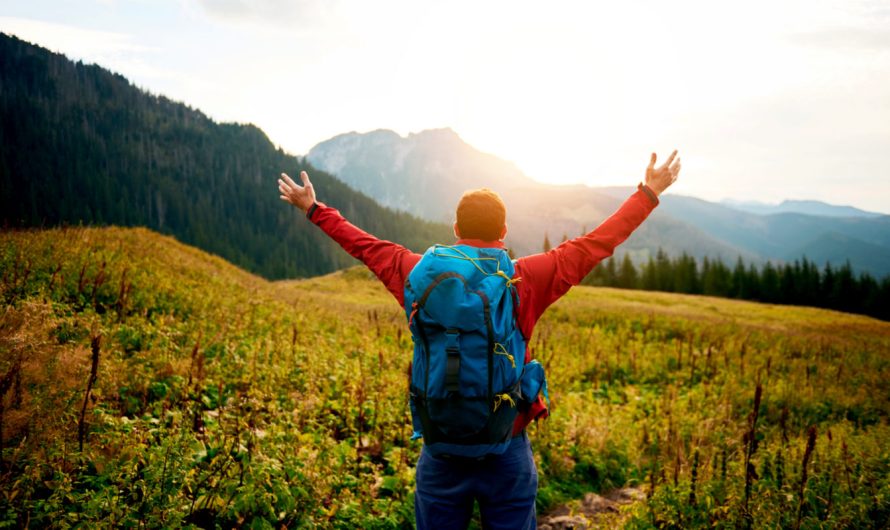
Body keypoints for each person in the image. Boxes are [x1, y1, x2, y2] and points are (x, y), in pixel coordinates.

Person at [277, 150, 680, 530]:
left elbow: (364, 245)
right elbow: (594, 245)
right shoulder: (527, 278)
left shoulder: (415, 272)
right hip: (506, 447)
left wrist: (314, 209)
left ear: (455, 230)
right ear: (504, 232)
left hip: (440, 450)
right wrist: (648, 194)